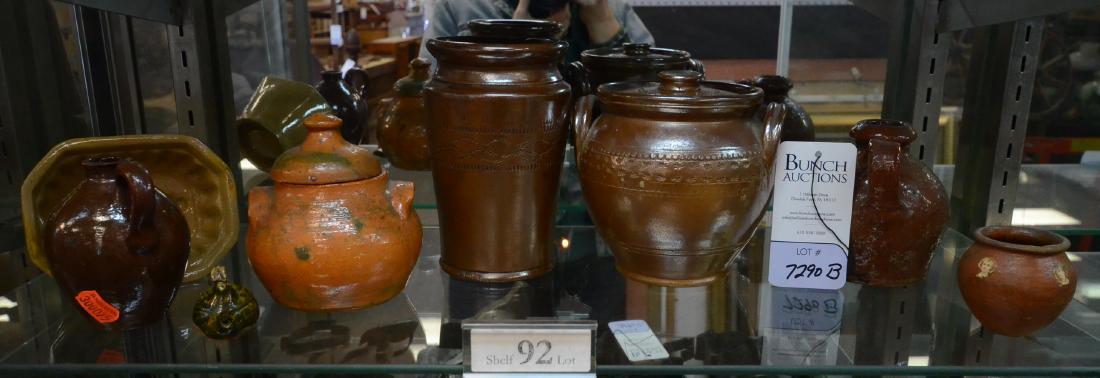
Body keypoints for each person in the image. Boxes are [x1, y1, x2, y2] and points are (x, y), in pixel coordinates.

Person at [418, 0, 654, 63]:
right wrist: (514, 43)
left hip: (595, 156)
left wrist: (603, 26)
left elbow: (656, 93)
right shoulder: (461, 7)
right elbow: (425, 96)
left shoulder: (609, 8)